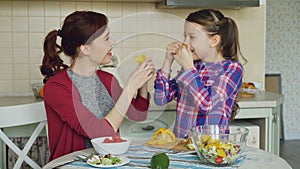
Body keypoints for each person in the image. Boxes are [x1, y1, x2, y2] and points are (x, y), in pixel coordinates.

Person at [40, 11, 155, 161]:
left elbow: (138, 115)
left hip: (109, 162)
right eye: (106, 38)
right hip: (73, 164)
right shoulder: (56, 88)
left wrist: (142, 83)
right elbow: (100, 133)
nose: (113, 42)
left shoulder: (107, 79)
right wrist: (131, 87)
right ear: (85, 49)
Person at [154, 9, 244, 138]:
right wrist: (168, 61)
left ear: (214, 41)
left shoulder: (231, 69)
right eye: (185, 36)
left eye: (192, 37)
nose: (185, 42)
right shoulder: (192, 67)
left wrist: (188, 67)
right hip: (182, 147)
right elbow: (161, 98)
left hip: (211, 149)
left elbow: (208, 106)